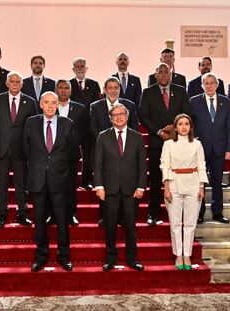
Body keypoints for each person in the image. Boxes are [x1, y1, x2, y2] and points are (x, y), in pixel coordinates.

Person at [24, 91, 74, 272]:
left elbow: (72, 153)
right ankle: (41, 255)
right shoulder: (30, 123)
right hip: (37, 180)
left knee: (62, 221)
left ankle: (64, 255)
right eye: (47, 102)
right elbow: (26, 150)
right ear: (40, 104)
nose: (51, 106)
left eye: (54, 103)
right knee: (39, 221)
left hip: (59, 180)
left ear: (58, 105)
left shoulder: (67, 124)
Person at [94, 104, 147, 272]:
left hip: (131, 190)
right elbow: (98, 164)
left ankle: (132, 258)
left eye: (121, 114)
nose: (118, 117)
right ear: (110, 118)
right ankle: (110, 258)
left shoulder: (137, 137)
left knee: (130, 226)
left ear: (127, 116)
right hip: (109, 189)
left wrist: (141, 186)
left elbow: (142, 165)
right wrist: (99, 186)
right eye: (115, 115)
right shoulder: (103, 137)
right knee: (110, 227)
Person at [139, 63, 191, 226]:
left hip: (177, 142)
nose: (163, 75)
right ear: (155, 75)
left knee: (177, 180)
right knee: (155, 180)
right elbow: (143, 116)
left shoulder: (181, 91)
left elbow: (186, 113)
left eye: (166, 72)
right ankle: (152, 213)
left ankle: (178, 214)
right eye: (160, 72)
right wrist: (159, 132)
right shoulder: (148, 92)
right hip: (157, 143)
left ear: (171, 74)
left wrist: (174, 127)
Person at [0, 71, 37, 227]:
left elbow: (34, 128)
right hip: (1, 149)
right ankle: (2, 214)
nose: (15, 84)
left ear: (22, 84)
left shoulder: (30, 102)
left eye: (18, 82)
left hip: (21, 150)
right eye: (12, 81)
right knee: (1, 184)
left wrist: (31, 151)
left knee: (21, 184)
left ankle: (22, 214)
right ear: (7, 83)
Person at [160, 114, 207, 270]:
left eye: (187, 124)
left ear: (191, 127)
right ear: (175, 127)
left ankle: (187, 254)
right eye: (180, 124)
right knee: (175, 223)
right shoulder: (168, 145)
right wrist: (166, 188)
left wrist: (201, 186)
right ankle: (178, 254)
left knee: (190, 223)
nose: (184, 127)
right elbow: (165, 166)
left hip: (193, 184)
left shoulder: (197, 144)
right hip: (173, 185)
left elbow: (201, 165)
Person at [90, 76, 138, 226]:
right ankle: (105, 217)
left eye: (116, 87)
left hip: (125, 152)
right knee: (104, 183)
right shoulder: (95, 106)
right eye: (109, 88)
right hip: (104, 152)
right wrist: (107, 141)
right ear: (104, 90)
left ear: (119, 89)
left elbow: (134, 128)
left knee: (124, 185)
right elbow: (92, 128)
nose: (113, 90)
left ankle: (123, 217)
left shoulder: (129, 105)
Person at [190, 72, 230, 224]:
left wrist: (229, 148)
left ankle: (217, 213)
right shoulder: (194, 102)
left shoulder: (227, 102)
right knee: (199, 182)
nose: (209, 86)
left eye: (211, 83)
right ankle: (199, 213)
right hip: (200, 148)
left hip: (220, 149)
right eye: (206, 83)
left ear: (217, 85)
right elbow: (190, 124)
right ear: (202, 85)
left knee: (216, 182)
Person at [54, 79, 86, 226]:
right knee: (53, 186)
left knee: (71, 187)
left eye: (66, 88)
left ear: (71, 90)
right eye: (60, 88)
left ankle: (71, 213)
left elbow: (83, 132)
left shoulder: (79, 108)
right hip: (53, 155)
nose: (63, 90)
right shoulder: (50, 106)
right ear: (56, 90)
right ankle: (52, 214)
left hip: (72, 154)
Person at [69, 57, 101, 190]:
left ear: (86, 68)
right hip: (73, 127)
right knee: (72, 154)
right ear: (73, 69)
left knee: (88, 156)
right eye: (77, 66)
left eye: (82, 66)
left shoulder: (94, 84)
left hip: (89, 126)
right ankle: (70, 180)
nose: (80, 68)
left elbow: (97, 105)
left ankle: (85, 181)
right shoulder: (68, 84)